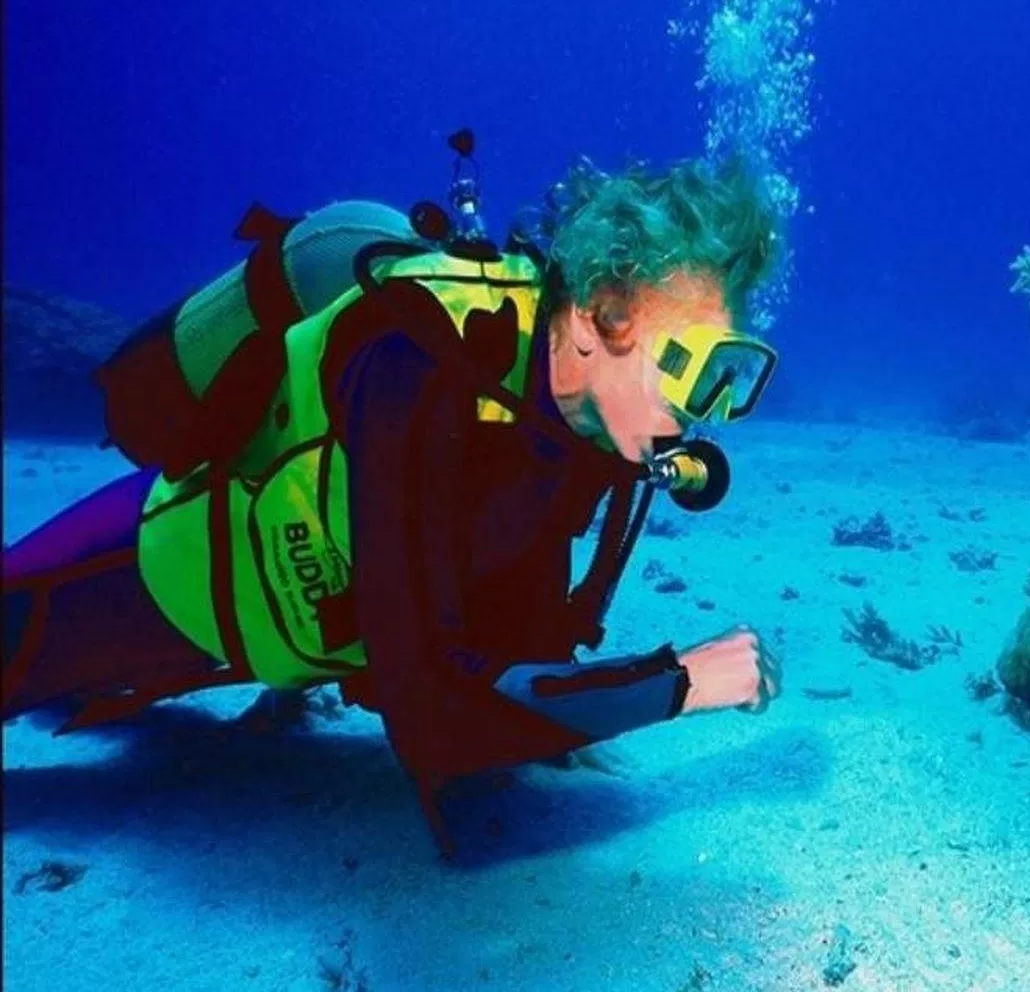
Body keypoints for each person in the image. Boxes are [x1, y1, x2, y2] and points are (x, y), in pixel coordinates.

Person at [2, 138, 784, 854]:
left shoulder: (582, 429)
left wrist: (560, 717)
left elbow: (512, 631)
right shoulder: (420, 362)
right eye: (693, 366)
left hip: (287, 642)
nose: (700, 411)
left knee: (121, 713)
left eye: (728, 377)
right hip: (178, 571)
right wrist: (676, 683)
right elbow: (431, 717)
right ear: (597, 315)